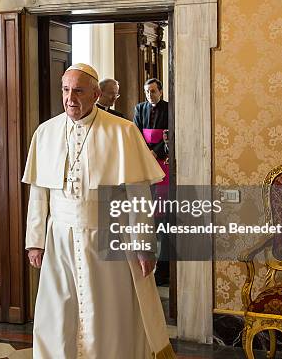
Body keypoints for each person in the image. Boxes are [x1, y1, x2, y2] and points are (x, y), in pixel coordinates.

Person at [23, 63, 175, 358]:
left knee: (108, 313)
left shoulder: (122, 131)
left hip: (109, 237)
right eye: (66, 90)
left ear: (95, 94)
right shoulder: (45, 133)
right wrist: (35, 241)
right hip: (59, 241)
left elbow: (137, 195)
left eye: (78, 91)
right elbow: (39, 193)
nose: (70, 98)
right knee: (58, 312)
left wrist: (144, 245)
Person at [133, 78, 170, 285]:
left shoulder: (168, 108)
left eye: (153, 91)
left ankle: (163, 269)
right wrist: (144, 152)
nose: (150, 95)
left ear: (161, 92)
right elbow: (136, 133)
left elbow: (170, 133)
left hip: (161, 158)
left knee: (163, 211)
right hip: (143, 158)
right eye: (147, 92)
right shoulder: (140, 108)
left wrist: (155, 152)